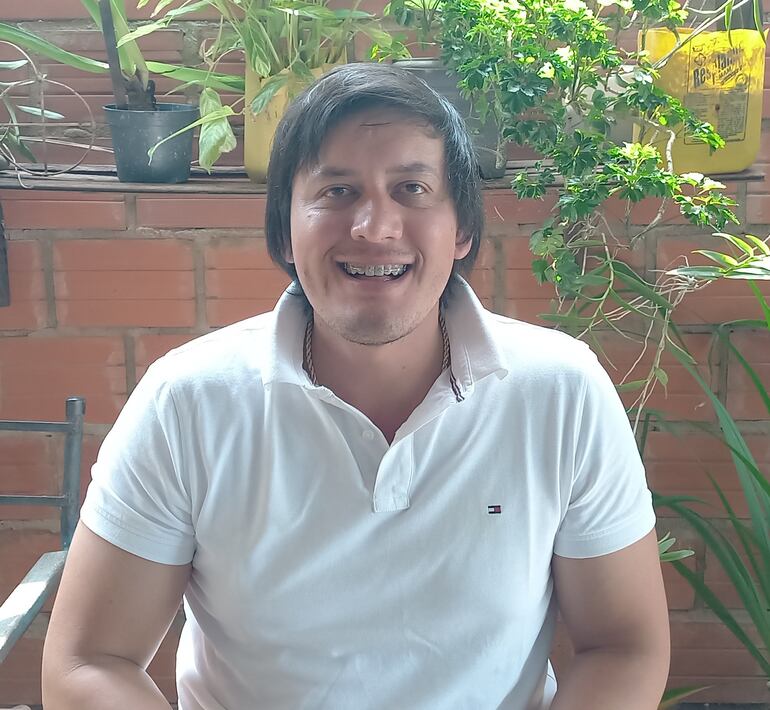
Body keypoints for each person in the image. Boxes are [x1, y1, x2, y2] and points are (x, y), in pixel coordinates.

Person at [42, 63, 670, 709]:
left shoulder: (561, 393)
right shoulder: (188, 402)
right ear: (285, 231)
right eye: (337, 191)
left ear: (463, 229)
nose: (374, 226)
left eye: (412, 188)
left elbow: (622, 645)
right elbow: (90, 661)